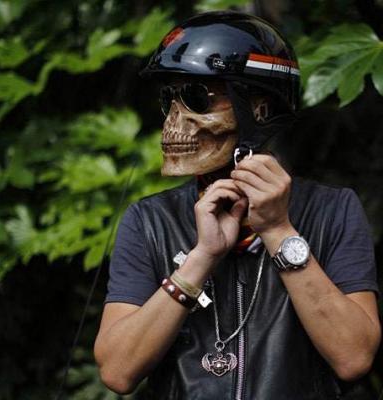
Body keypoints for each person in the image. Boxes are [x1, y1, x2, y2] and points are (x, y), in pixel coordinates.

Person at [94, 11, 381, 399]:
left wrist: (279, 231)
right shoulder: (150, 221)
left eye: (196, 98)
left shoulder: (333, 211)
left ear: (258, 109)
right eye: (168, 100)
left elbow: (353, 357)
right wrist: (201, 259)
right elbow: (117, 371)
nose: (174, 121)